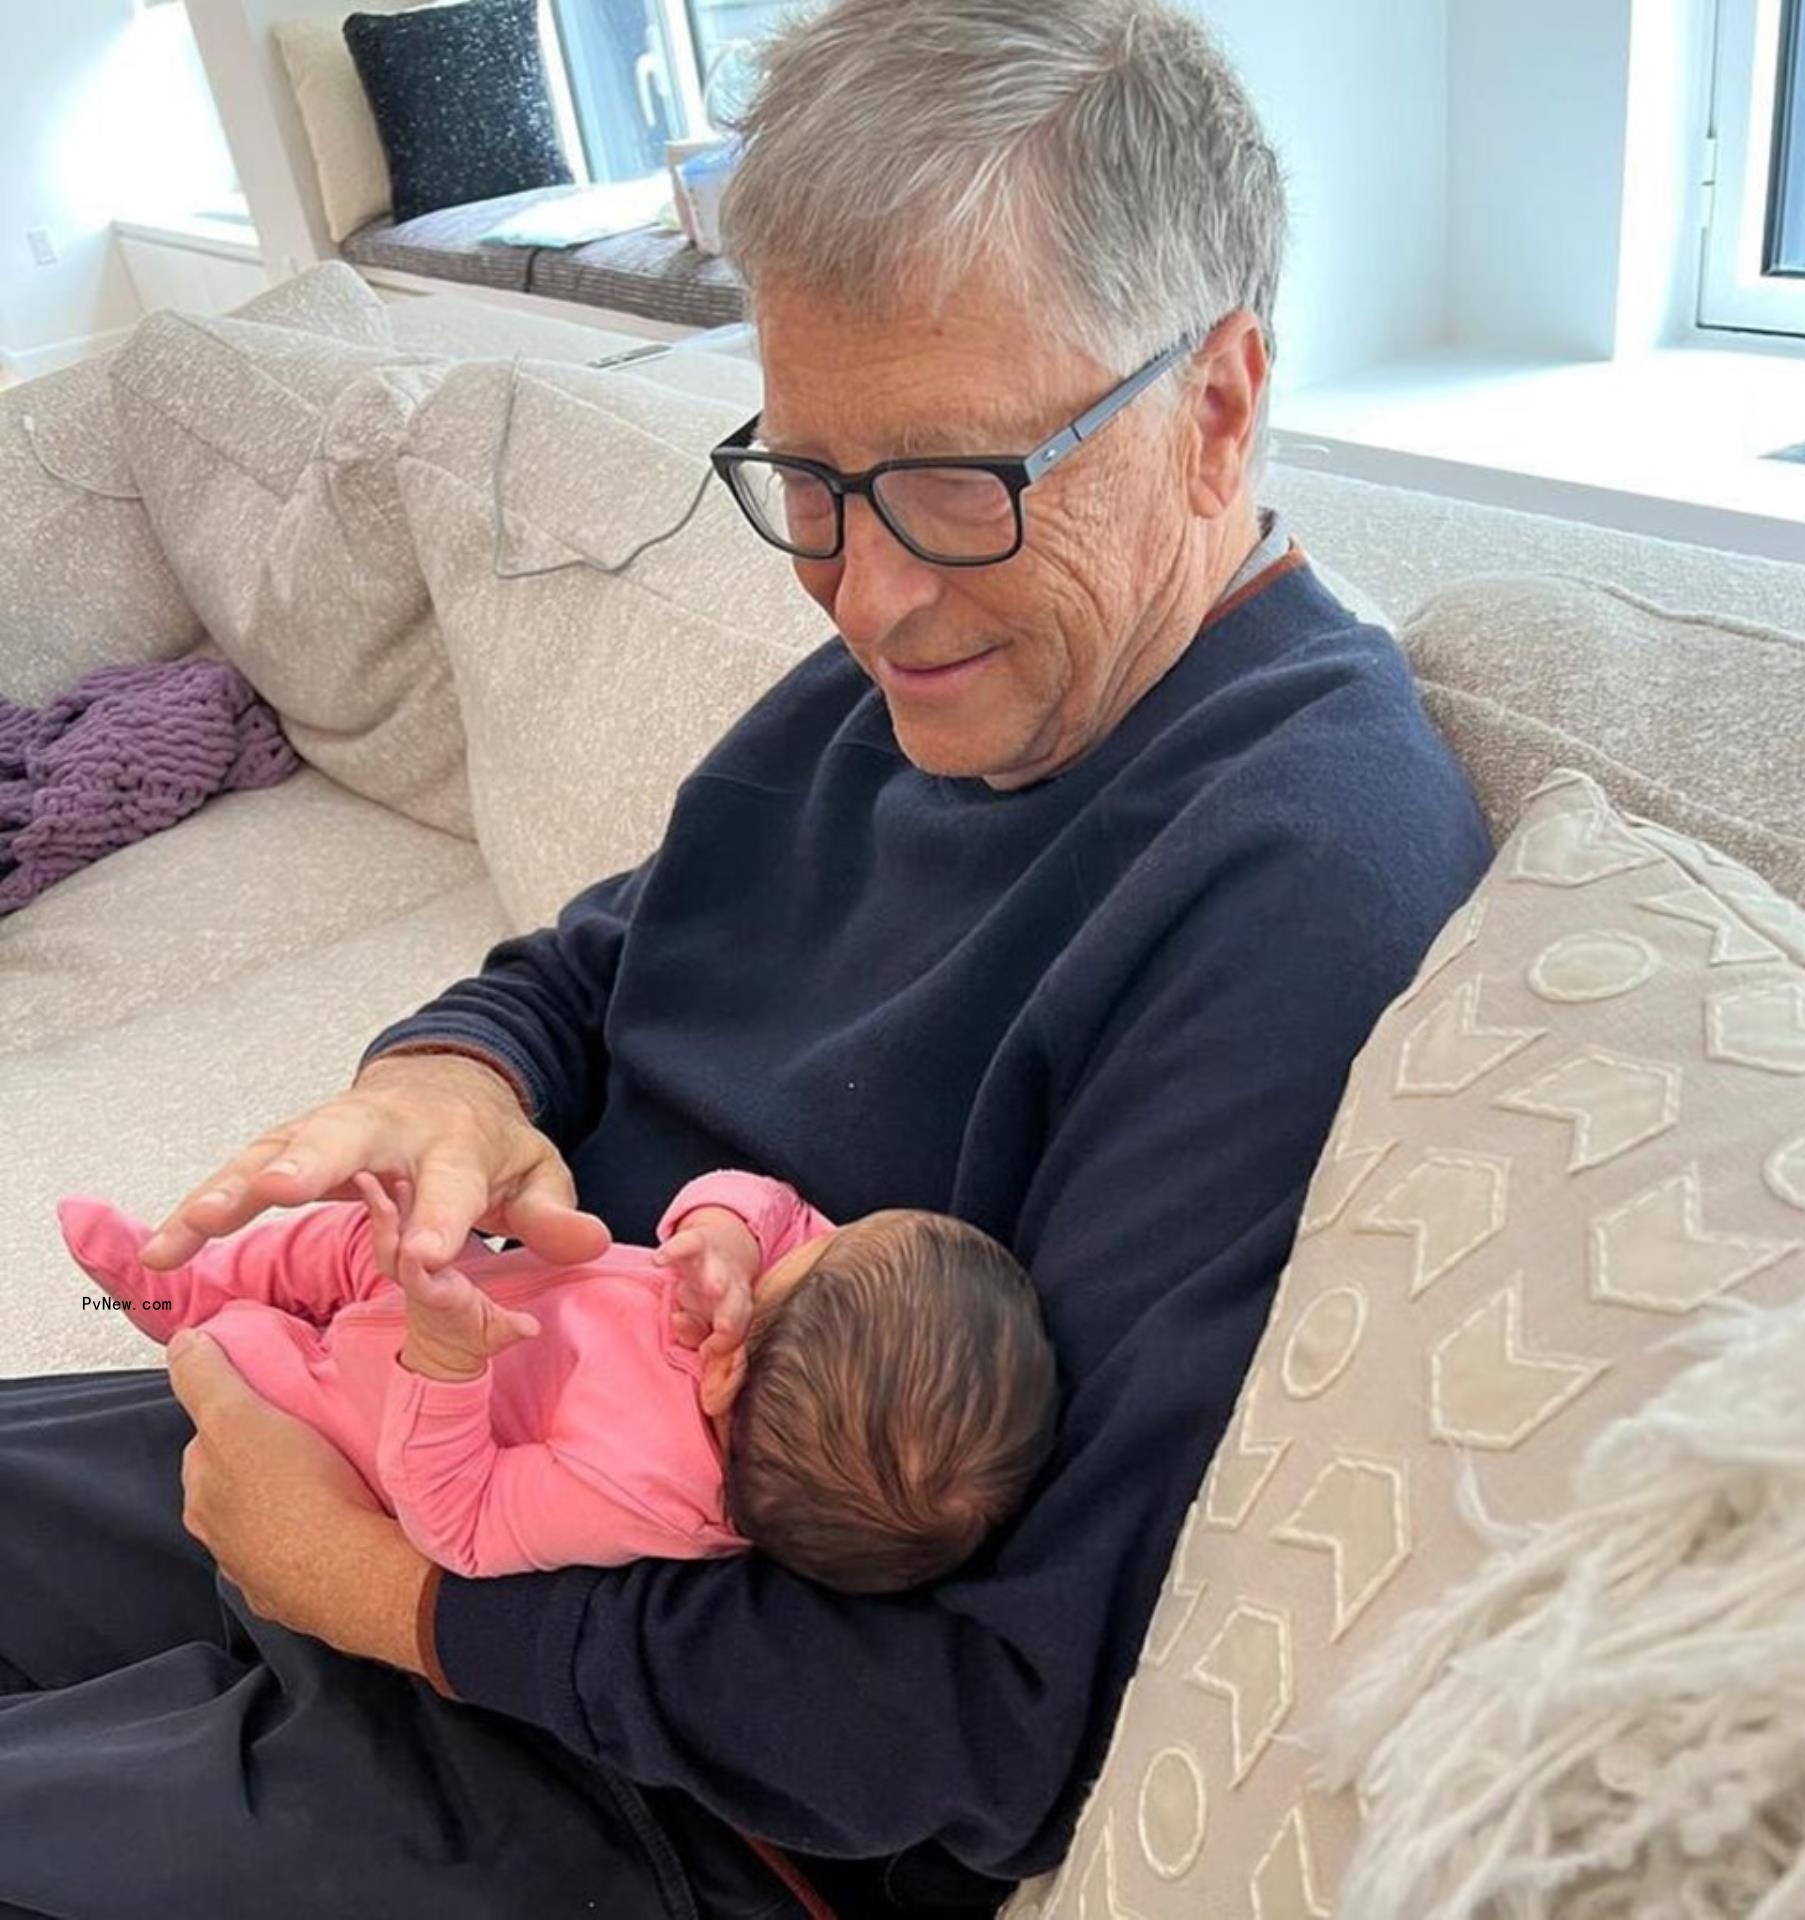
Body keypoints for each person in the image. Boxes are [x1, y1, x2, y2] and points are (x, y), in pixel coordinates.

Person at [0, 0, 1493, 1913]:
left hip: (640, 1771)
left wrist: (396, 1600)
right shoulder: (914, 681)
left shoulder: (1306, 882)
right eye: (812, 482)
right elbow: (588, 967)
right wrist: (446, 1084)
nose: (867, 595)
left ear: (1215, 408)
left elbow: (995, 1724)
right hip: (424, 1401)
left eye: (963, 482)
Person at [55, 1168, 1058, 1588]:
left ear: (725, 1370)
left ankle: (188, 1316)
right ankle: (176, 1282)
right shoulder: (801, 1337)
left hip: (360, 1408)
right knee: (350, 1239)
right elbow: (778, 1210)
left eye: (797, 1260)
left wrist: (444, 1364)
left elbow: (460, 1523)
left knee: (245, 1348)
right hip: (472, 1282)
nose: (804, 1238)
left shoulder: (639, 1493)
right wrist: (728, 1234)